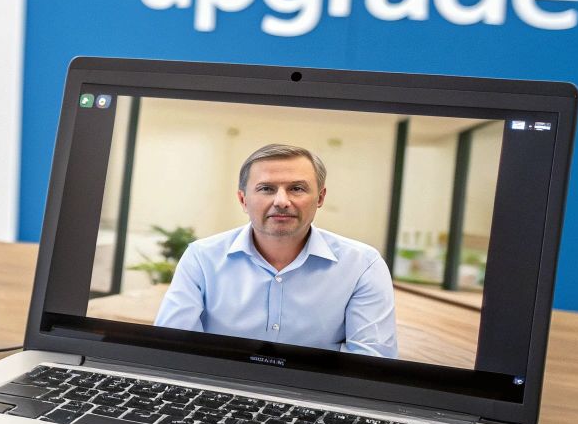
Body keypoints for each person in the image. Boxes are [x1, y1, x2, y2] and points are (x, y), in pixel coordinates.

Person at [153, 143, 398, 357]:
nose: (281, 201)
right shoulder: (202, 257)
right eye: (266, 189)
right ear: (243, 200)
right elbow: (172, 349)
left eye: (297, 188)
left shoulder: (362, 265)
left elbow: (372, 363)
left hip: (317, 391)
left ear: (320, 198)